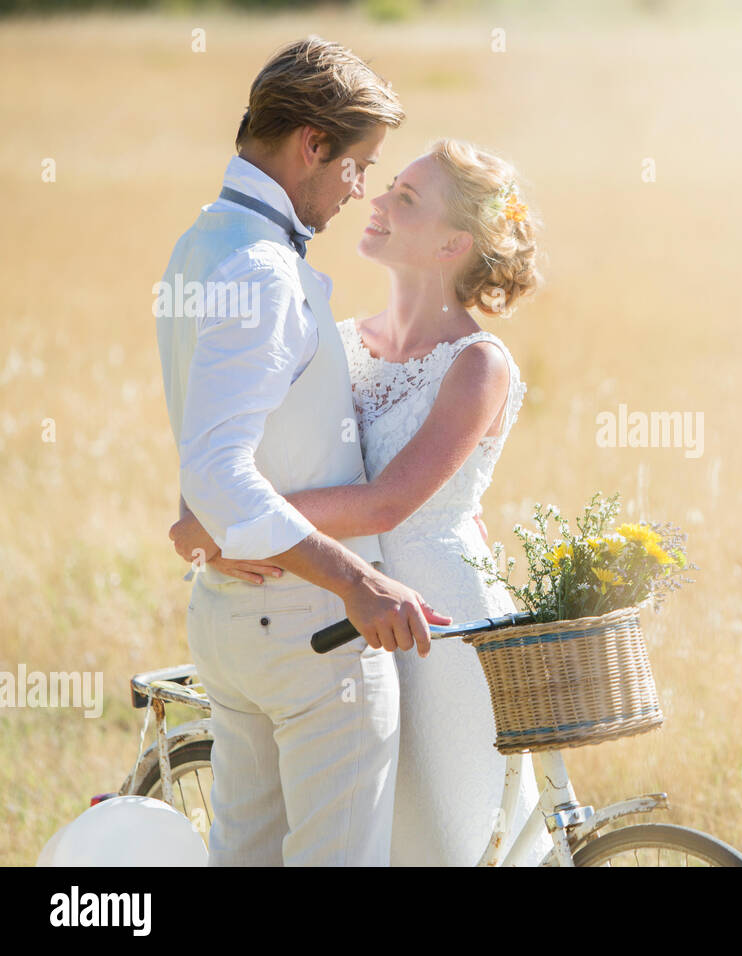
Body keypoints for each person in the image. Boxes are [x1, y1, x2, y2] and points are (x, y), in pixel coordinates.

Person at [170, 138, 552, 865]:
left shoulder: (478, 363)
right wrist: (236, 518)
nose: (373, 199)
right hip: (338, 608)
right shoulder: (342, 342)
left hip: (437, 619)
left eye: (404, 198)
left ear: (452, 243)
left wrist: (235, 523)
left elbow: (386, 503)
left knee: (439, 836)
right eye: (388, 186)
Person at [155, 37, 449, 866]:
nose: (360, 190)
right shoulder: (260, 270)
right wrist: (358, 581)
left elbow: (217, 437)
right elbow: (218, 466)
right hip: (310, 633)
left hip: (234, 623)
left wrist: (203, 511)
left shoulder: (202, 244)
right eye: (357, 165)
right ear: (311, 144)